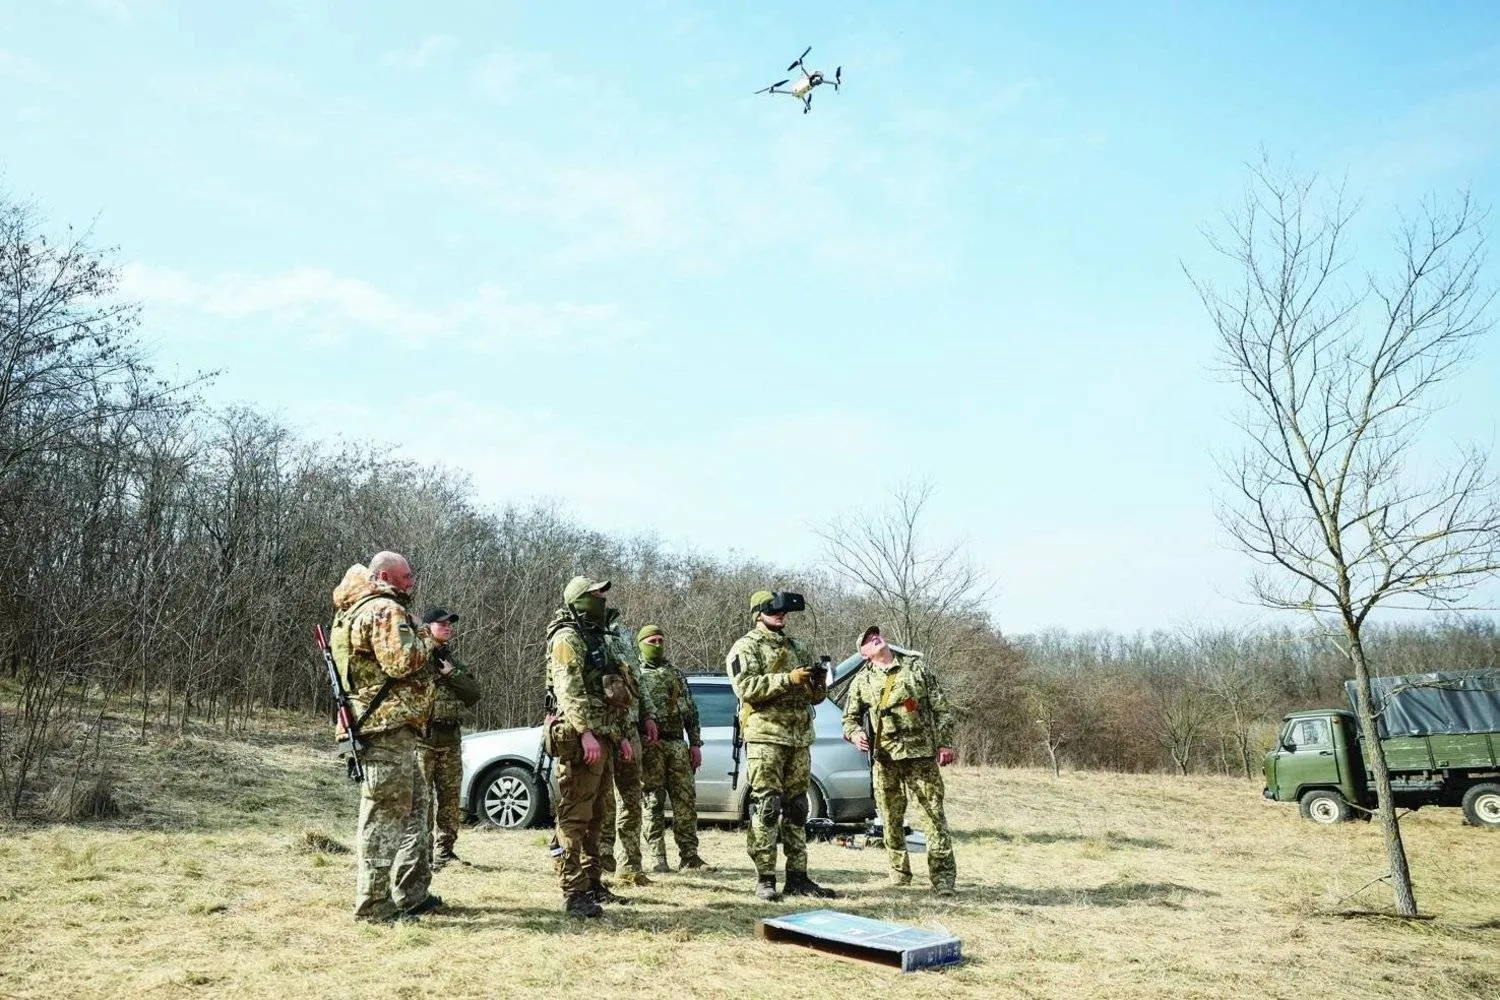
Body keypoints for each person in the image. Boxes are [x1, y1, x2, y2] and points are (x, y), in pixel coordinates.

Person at [329, 550, 443, 922]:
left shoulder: (356, 611)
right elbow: (402, 662)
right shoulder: (383, 610)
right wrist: (429, 638)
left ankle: (412, 894)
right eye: (406, 575)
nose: (412, 581)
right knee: (385, 817)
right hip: (386, 728)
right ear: (385, 576)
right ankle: (374, 904)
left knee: (414, 813)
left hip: (391, 728)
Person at [725, 590, 839, 901]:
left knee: (798, 808)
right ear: (757, 613)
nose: (781, 615)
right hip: (766, 737)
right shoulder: (745, 647)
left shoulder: (797, 647)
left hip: (798, 738)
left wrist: (818, 683)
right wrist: (787, 679)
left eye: (783, 612)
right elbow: (746, 688)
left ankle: (798, 877)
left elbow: (814, 697)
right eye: (773, 611)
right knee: (766, 806)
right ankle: (765, 878)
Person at [544, 575, 636, 917]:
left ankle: (593, 882)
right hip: (584, 741)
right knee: (575, 814)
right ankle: (573, 891)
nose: (602, 599)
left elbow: (611, 693)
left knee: (599, 815)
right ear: (580, 599)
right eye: (596, 594)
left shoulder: (596, 636)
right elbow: (568, 690)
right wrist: (584, 734)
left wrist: (622, 735)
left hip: (606, 735)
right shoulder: (567, 637)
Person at [841, 625, 958, 895]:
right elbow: (849, 719)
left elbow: (941, 708)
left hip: (920, 755)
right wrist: (856, 734)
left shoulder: (916, 669)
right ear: (864, 654)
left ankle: (942, 880)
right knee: (891, 817)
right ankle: (899, 874)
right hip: (885, 758)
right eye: (868, 640)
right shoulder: (862, 681)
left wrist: (945, 742)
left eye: (875, 635)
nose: (875, 638)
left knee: (933, 816)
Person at [636, 624, 712, 872]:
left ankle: (690, 856)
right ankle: (658, 858)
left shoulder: (675, 673)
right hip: (651, 746)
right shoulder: (635, 673)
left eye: (660, 641)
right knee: (652, 802)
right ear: (641, 644)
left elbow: (691, 710)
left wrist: (695, 743)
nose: (657, 646)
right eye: (652, 642)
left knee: (685, 802)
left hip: (677, 744)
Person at [598, 607, 659, 887]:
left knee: (632, 798)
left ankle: (631, 865)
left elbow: (636, 678)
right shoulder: (584, 633)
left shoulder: (621, 630)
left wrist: (647, 714)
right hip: (604, 727)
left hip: (630, 726)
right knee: (602, 800)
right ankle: (599, 859)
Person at [419, 607, 482, 869]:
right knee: (422, 800)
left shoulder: (451, 658)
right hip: (423, 738)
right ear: (428, 627)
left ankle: (445, 852)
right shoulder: (419, 654)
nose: (448, 628)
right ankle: (421, 854)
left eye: (450, 624)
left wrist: (451, 674)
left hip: (450, 738)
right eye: (441, 624)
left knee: (450, 798)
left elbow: (472, 692)